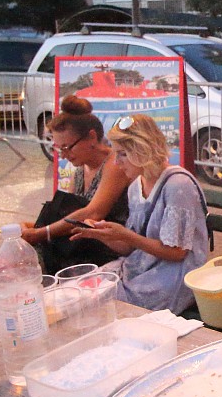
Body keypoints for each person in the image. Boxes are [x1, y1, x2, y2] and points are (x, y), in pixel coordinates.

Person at [72, 114, 209, 313]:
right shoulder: (135, 187)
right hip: (142, 267)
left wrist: (125, 235)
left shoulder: (178, 185)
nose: (116, 163)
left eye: (123, 154)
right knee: (78, 292)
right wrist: (102, 235)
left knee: (98, 303)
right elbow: (130, 247)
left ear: (142, 150)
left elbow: (177, 253)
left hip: (174, 275)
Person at [20, 95, 132, 273]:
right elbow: (68, 214)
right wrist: (35, 227)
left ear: (92, 137)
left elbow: (93, 213)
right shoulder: (80, 168)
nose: (63, 155)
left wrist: (42, 232)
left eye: (67, 147)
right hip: (82, 244)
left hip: (111, 249)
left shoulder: (115, 164)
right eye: (59, 149)